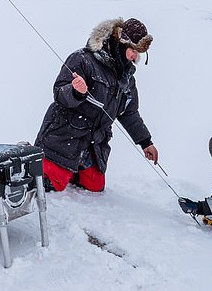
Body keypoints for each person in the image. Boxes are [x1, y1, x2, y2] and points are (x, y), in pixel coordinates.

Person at [34, 17, 158, 192]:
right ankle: (35, 157)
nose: (135, 56)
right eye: (133, 50)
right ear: (122, 42)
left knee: (95, 186)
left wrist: (146, 142)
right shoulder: (83, 59)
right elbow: (59, 94)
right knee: (52, 185)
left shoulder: (127, 79)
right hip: (64, 136)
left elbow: (129, 113)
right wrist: (76, 92)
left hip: (93, 144)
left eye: (139, 53)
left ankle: (76, 166)